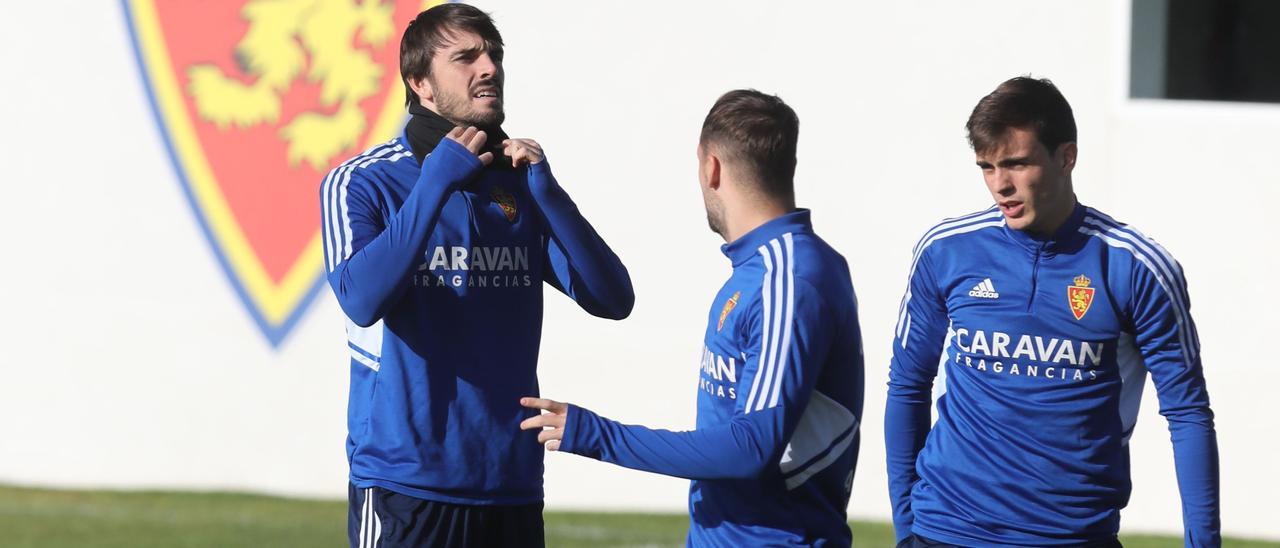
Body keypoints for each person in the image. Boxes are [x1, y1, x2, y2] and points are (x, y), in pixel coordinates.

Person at [318, 4, 634, 547]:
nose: (488, 67)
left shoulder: (518, 182)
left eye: (493, 55)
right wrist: (435, 182)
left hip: (509, 483)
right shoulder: (363, 182)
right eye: (466, 57)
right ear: (421, 84)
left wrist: (550, 198)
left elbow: (612, 297)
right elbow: (362, 298)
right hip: (406, 486)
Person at [885, 76, 1220, 547]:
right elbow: (907, 384)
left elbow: (1187, 414)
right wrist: (907, 529)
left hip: (1072, 536)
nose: (1000, 184)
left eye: (1017, 164)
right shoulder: (946, 251)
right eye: (987, 167)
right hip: (945, 532)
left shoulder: (1135, 267)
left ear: (1067, 156)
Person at [521, 89, 865, 547]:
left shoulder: (788, 278)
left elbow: (751, 448)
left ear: (712, 167)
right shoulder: (763, 268)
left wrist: (597, 435)